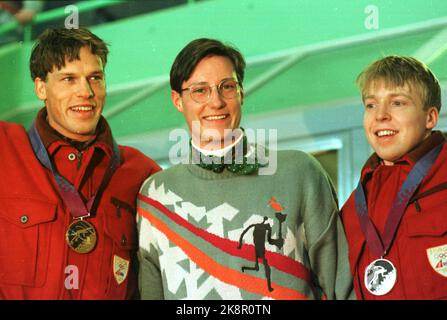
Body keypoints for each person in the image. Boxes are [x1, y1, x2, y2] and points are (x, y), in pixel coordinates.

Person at [136, 38, 354, 300]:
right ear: (178, 100)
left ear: (241, 92)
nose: (215, 102)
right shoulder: (155, 195)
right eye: (199, 91)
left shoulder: (300, 173)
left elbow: (341, 288)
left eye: (226, 87)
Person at [0, 27, 161, 299]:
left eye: (95, 78)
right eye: (69, 79)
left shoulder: (142, 172)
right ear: (41, 87)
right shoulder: (5, 149)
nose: (85, 92)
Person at [340, 55, 446, 299]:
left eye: (397, 103)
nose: (381, 115)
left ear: (430, 117)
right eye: (371, 105)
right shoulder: (352, 211)